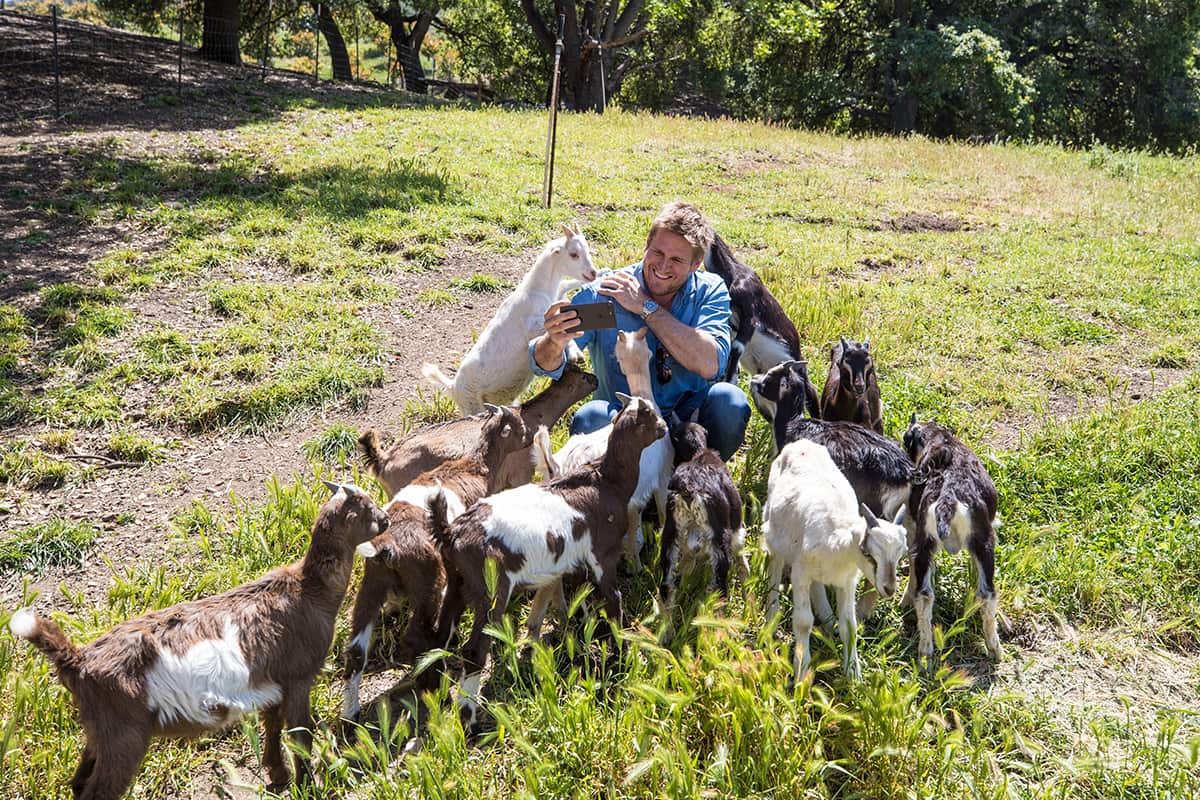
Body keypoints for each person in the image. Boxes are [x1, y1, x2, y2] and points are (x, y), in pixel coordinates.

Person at [528, 201, 751, 461]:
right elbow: (544, 364)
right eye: (657, 252)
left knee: (730, 403)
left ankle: (692, 482)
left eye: (677, 260)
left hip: (687, 424)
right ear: (647, 243)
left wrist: (645, 307)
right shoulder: (606, 295)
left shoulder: (708, 292)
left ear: (696, 263)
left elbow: (710, 363)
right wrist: (554, 342)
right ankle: (614, 491)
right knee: (591, 417)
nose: (663, 266)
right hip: (623, 420)